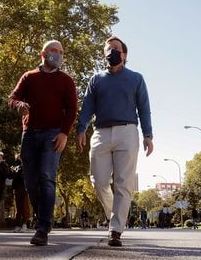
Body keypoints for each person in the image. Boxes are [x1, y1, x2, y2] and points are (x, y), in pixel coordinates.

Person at [76, 35, 154, 247]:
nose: (112, 51)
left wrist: (148, 135)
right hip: (100, 133)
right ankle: (115, 215)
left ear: (124, 54)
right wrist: (81, 129)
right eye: (108, 48)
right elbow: (87, 108)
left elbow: (144, 108)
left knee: (123, 183)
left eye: (116, 48)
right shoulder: (96, 79)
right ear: (104, 54)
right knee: (98, 181)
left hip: (127, 132)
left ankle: (115, 230)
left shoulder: (136, 78)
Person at [8, 40, 77, 246]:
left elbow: (72, 110)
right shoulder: (29, 77)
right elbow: (12, 97)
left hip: (53, 135)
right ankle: (44, 219)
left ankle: (42, 228)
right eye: (54, 51)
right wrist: (19, 104)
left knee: (47, 177)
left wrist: (64, 133)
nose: (58, 54)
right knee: (30, 182)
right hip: (29, 135)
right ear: (43, 54)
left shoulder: (66, 80)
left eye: (61, 52)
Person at [10, 153, 30, 233]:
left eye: (20, 158)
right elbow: (12, 177)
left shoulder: (27, 166)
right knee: (18, 208)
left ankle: (25, 225)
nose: (19, 159)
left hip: (25, 188)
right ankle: (18, 225)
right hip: (17, 188)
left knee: (25, 206)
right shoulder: (16, 168)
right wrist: (12, 171)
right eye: (17, 158)